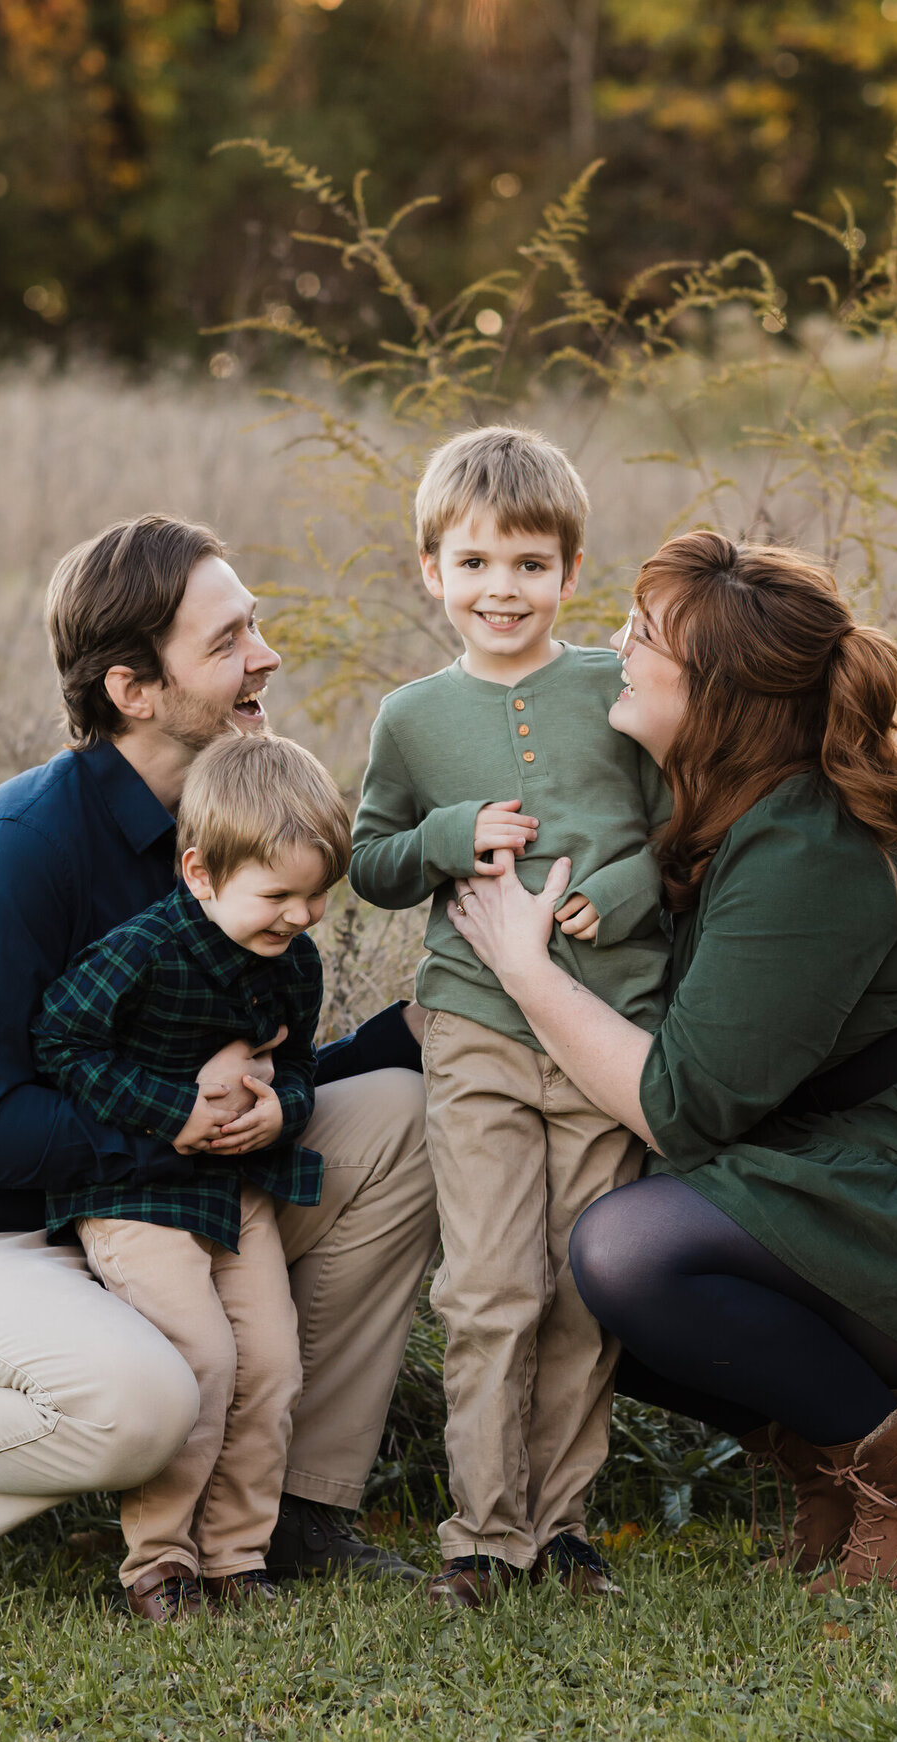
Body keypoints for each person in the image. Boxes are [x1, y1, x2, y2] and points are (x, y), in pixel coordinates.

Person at [447, 531, 897, 1594]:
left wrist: (525, 968)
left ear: (721, 697)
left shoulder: (811, 842)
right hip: (884, 1169)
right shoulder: (733, 802)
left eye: (644, 636)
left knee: (625, 1249)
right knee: (583, 1231)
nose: (617, 644)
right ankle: (843, 1471)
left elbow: (681, 1104)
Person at [0, 515, 433, 1596]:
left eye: (257, 626)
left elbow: (235, 1074)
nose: (266, 656)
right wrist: (174, 1116)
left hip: (139, 1204)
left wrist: (418, 1033)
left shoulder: (228, 826)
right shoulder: (18, 852)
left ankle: (288, 1506)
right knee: (151, 1397)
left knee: (398, 1114)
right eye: (229, 639)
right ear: (133, 689)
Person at [349, 426, 671, 1609]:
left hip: (606, 1032)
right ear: (431, 569)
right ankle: (482, 1537)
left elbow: (679, 836)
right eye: (476, 564)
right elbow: (370, 859)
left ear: (570, 574)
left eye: (530, 565)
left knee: (585, 1284)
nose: (503, 590)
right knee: (490, 1287)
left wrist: (624, 893)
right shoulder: (413, 717)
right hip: (475, 1029)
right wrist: (446, 837)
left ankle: (565, 1529)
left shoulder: (612, 692)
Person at [27, 732, 354, 1621]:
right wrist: (171, 1107)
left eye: (317, 895)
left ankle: (236, 1554)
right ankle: (159, 1561)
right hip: (135, 1192)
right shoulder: (144, 951)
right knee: (202, 1360)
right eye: (278, 895)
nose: (299, 915)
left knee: (274, 1363)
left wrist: (284, 1104)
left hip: (234, 1188)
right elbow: (58, 1039)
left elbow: (300, 1062)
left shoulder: (296, 963)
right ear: (202, 872)